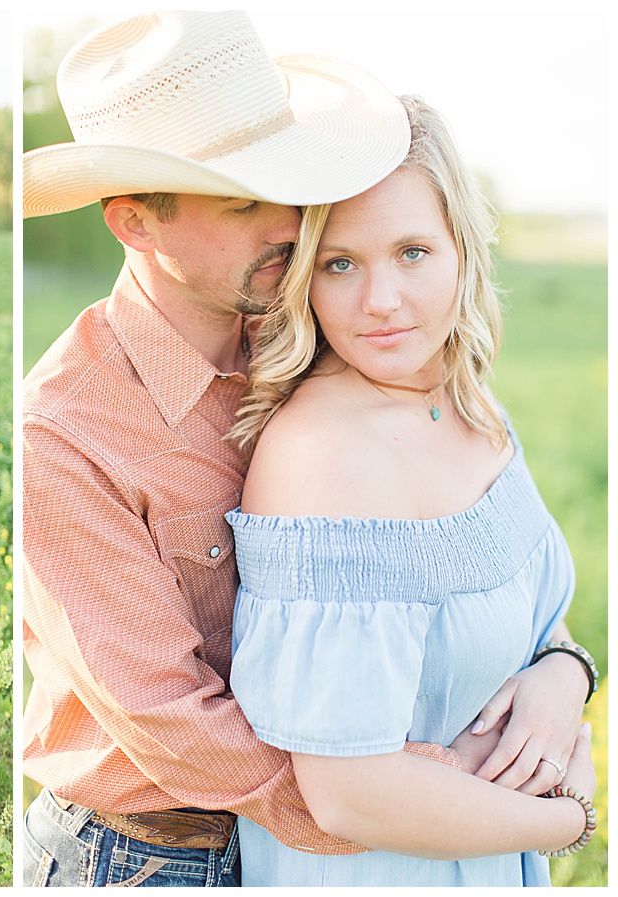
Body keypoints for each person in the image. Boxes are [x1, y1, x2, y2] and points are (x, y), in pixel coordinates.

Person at [20, 11, 595, 887]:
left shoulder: (314, 340)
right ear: (135, 223)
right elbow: (175, 722)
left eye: (284, 184)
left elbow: (455, 562)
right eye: (245, 201)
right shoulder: (65, 433)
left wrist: (559, 667)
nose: (292, 222)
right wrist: (448, 792)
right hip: (149, 855)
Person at [223, 95, 597, 886]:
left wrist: (565, 680)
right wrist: (570, 819)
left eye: (413, 252)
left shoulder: (468, 402)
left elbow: (536, 619)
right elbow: (349, 793)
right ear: (304, 279)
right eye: (341, 263)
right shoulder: (323, 460)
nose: (380, 302)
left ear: (462, 247)